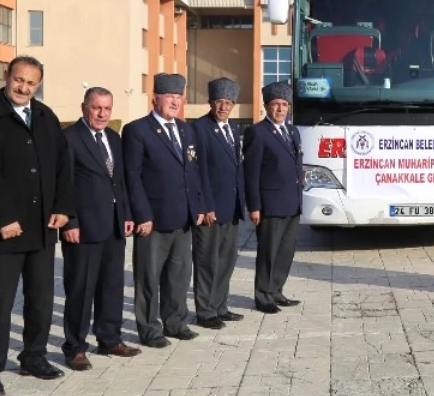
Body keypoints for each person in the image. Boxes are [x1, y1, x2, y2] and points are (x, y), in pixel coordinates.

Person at [0, 56, 74, 396]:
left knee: (41, 298)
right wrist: (3, 218)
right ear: (6, 76)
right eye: (18, 80)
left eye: (31, 83)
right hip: (2, 231)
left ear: (38, 85)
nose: (23, 87)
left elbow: (62, 166)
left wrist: (64, 208)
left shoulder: (45, 116)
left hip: (42, 229)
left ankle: (33, 355)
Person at [122, 73, 209, 348]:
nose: (175, 101)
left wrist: (198, 206)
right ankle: (149, 329)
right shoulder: (137, 130)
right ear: (155, 98)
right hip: (154, 221)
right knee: (148, 277)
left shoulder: (186, 130)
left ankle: (176, 322)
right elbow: (132, 177)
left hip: (183, 218)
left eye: (179, 96)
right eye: (170, 96)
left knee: (179, 275)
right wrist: (142, 215)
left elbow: (192, 172)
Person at [60, 86, 140, 370]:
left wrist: (127, 214)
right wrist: (69, 221)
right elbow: (63, 184)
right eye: (97, 108)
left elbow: (120, 181)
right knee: (80, 290)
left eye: (107, 108)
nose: (102, 114)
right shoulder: (70, 138)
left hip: (114, 226)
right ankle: (75, 347)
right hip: (82, 230)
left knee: (111, 286)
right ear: (84, 107)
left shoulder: (114, 138)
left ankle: (109, 338)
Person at [192, 78, 247, 328]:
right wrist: (204, 206)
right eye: (219, 102)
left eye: (228, 102)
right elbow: (198, 171)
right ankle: (205, 312)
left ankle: (220, 306)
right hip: (211, 209)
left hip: (231, 207)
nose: (223, 107)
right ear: (210, 102)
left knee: (226, 260)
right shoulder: (200, 128)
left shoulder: (233, 129)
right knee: (207, 261)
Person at [243, 82, 303, 314]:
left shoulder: (292, 131)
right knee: (268, 251)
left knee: (285, 251)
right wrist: (254, 206)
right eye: (276, 104)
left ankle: (276, 290)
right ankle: (262, 296)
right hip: (270, 205)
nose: (280, 109)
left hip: (292, 203)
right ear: (267, 106)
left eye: (284, 105)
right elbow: (251, 173)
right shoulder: (257, 133)